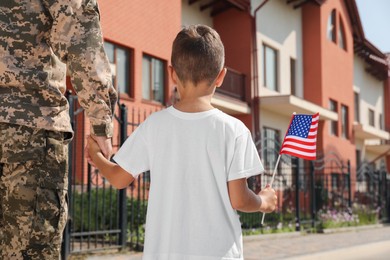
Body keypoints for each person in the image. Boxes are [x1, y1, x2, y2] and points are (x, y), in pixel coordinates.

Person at [87, 24, 277, 260]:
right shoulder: (235, 130)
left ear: (172, 73)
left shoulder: (154, 125)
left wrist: (96, 156)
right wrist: (263, 202)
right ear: (221, 76)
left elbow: (118, 178)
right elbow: (239, 199)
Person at [0, 0, 116, 259]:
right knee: (32, 250)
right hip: (30, 130)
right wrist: (100, 122)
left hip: (28, 133)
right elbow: (81, 38)